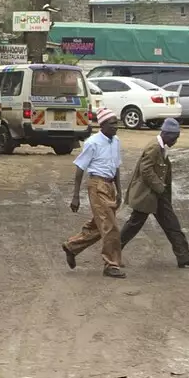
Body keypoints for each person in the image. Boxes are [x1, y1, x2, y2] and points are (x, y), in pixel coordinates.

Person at [119, 119, 189, 269]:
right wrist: (159, 187)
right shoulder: (154, 147)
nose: (175, 141)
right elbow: (146, 170)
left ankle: (184, 257)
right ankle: (112, 252)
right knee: (133, 225)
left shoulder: (161, 147)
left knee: (172, 225)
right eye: (174, 137)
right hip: (147, 195)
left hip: (157, 195)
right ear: (165, 134)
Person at [61, 106, 125, 278]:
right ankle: (111, 264)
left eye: (116, 123)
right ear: (102, 125)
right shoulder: (93, 143)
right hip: (97, 185)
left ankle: (72, 246)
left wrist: (119, 191)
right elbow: (80, 168)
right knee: (110, 226)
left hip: (109, 185)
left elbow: (116, 167)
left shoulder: (116, 141)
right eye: (112, 123)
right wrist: (75, 196)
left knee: (99, 225)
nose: (116, 126)